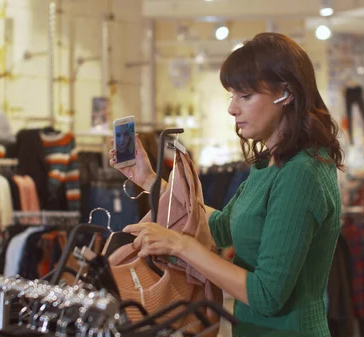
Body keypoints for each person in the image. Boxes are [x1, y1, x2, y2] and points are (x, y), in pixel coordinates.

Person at [109, 32, 344, 337]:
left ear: (285, 94)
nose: (233, 108)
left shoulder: (302, 174)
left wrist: (181, 245)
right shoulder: (269, 165)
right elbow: (218, 227)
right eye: (232, 95)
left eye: (244, 96)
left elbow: (266, 296)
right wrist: (149, 180)